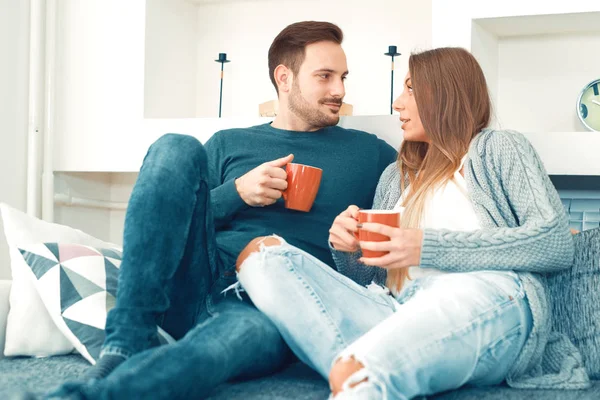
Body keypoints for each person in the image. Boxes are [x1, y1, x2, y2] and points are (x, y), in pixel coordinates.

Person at [47, 21, 397, 399]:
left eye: (343, 77)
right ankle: (126, 341)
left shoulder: (369, 152)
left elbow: (398, 237)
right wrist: (237, 193)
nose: (340, 91)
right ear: (285, 78)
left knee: (212, 352)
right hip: (196, 281)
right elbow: (171, 220)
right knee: (174, 147)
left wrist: (354, 249)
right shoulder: (229, 143)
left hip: (272, 309)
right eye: (325, 77)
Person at [235, 47, 591, 399]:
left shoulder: (498, 149)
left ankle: (365, 372)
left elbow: (555, 243)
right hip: (399, 310)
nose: (397, 103)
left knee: (366, 364)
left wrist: (425, 246)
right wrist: (351, 250)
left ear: (445, 95)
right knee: (263, 257)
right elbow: (375, 281)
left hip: (493, 302)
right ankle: (372, 372)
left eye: (410, 89)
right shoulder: (397, 176)